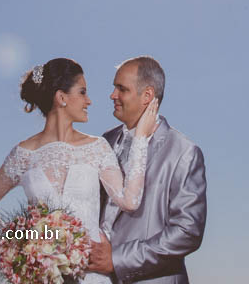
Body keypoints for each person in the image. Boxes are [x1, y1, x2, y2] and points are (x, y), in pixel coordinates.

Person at [0, 57, 158, 284]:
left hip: (91, 275)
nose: (89, 101)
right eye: (82, 92)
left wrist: (140, 138)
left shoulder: (97, 148)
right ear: (61, 98)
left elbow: (130, 201)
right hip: (44, 278)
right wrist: (16, 243)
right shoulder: (23, 154)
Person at [89, 56, 207, 284]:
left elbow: (187, 232)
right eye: (114, 88)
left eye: (121, 89)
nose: (112, 95)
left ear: (147, 95)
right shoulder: (105, 141)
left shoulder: (183, 152)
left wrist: (117, 259)